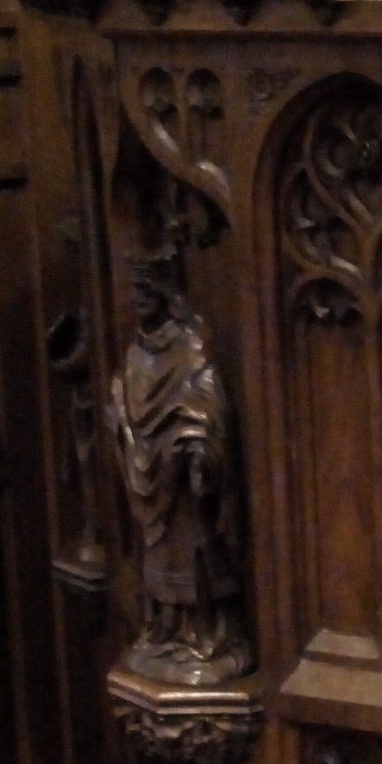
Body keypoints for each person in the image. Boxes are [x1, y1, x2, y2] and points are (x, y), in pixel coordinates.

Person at [109, 248, 249, 684]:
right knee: (158, 555)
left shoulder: (189, 346)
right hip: (149, 470)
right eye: (135, 291)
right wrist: (121, 417)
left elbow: (207, 400)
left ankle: (205, 634)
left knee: (195, 553)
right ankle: (166, 630)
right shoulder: (136, 351)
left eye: (147, 290)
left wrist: (198, 444)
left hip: (181, 474)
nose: (139, 299)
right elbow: (128, 396)